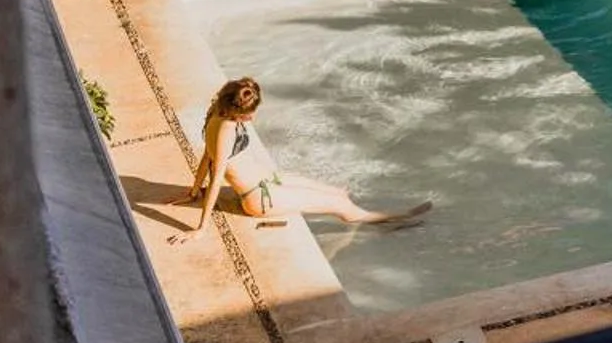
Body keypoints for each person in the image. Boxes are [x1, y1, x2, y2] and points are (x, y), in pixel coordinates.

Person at [173, 77, 428, 242]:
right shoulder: (227, 130)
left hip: (267, 180)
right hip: (259, 197)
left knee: (339, 192)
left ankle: (370, 217)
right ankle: (391, 218)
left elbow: (208, 154)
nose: (252, 118)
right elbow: (216, 177)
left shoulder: (215, 111)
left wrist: (194, 191)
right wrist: (201, 228)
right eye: (249, 115)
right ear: (237, 111)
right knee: (341, 206)